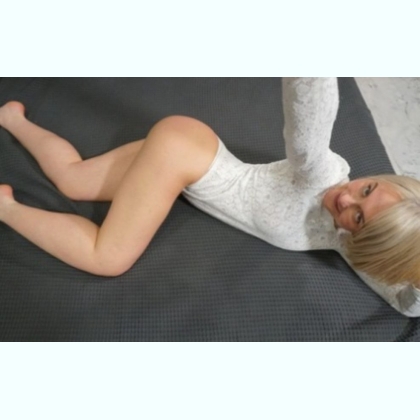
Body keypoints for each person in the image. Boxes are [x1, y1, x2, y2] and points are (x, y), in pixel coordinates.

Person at [0, 78, 419, 315]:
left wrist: (410, 292)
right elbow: (309, 124)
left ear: (361, 239)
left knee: (74, 181)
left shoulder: (346, 242)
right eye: (367, 189)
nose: (347, 199)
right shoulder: (322, 174)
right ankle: (6, 207)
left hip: (185, 155)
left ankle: (12, 119)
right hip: (185, 158)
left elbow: (390, 283)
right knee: (107, 258)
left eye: (358, 216)